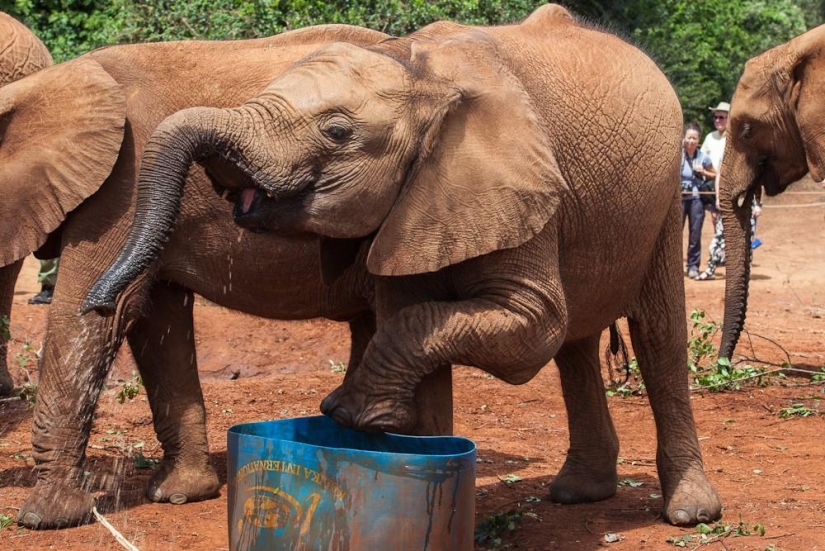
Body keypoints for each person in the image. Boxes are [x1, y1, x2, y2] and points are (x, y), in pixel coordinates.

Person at [681, 122, 716, 279]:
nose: (691, 141)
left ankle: (693, 266)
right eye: (689, 137)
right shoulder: (678, 155)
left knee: (695, 234)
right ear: (683, 138)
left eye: (694, 138)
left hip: (696, 199)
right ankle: (674, 267)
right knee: (675, 235)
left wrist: (703, 172)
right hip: (679, 199)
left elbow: (715, 174)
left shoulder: (703, 157)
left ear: (698, 140)